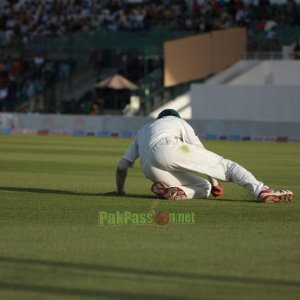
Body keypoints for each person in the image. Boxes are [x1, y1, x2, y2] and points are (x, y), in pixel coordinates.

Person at [113, 109, 294, 203]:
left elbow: (122, 166)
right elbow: (202, 151)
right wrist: (217, 183)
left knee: (203, 187)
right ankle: (262, 191)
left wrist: (120, 191)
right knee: (228, 167)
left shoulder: (143, 130)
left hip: (149, 167)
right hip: (170, 149)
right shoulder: (178, 121)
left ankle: (178, 192)